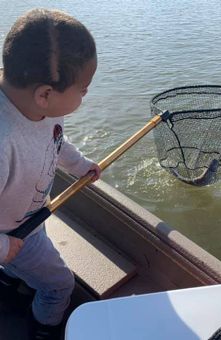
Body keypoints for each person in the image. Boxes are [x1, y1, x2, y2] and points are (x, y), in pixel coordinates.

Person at [0, 8, 101, 339]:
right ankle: (44, 329)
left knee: (20, 266)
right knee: (60, 284)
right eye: (84, 90)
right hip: (13, 233)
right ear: (45, 94)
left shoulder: (43, 109)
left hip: (30, 219)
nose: (85, 96)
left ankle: (12, 274)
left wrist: (79, 165)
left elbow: (56, 141)